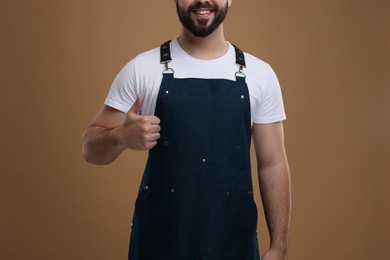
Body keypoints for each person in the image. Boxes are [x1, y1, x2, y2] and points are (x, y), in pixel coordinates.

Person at [82, 0, 291, 259]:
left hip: (233, 244)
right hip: (159, 246)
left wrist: (279, 246)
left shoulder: (260, 75)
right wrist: (121, 137)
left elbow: (272, 163)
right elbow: (90, 148)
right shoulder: (143, 69)